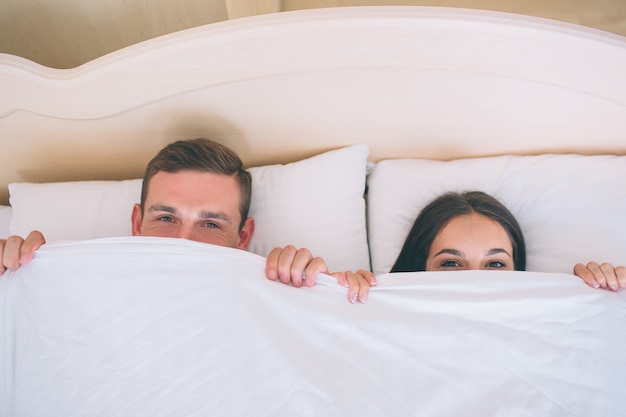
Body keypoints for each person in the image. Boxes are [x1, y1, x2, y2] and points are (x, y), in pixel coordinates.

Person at [0, 138, 374, 303]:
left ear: (243, 236)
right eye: (165, 217)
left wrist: (332, 292)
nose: (183, 240)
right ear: (136, 221)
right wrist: (19, 281)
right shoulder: (71, 284)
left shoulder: (283, 289)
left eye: (211, 224)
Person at [354, 191, 625, 291]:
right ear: (419, 267)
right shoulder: (376, 308)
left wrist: (605, 293)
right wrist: (325, 291)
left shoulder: (552, 317)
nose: (475, 280)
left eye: (495, 263)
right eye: (450, 263)